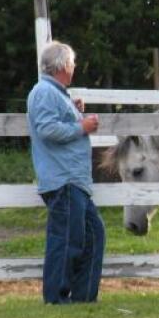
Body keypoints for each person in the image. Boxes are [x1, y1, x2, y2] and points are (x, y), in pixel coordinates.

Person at [26, 41, 105, 304]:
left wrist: (74, 112)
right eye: (72, 63)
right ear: (62, 66)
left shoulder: (56, 93)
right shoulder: (45, 92)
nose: (74, 67)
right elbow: (48, 130)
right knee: (67, 241)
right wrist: (82, 127)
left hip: (73, 181)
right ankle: (56, 299)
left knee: (93, 234)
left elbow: (56, 122)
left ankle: (83, 298)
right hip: (64, 180)